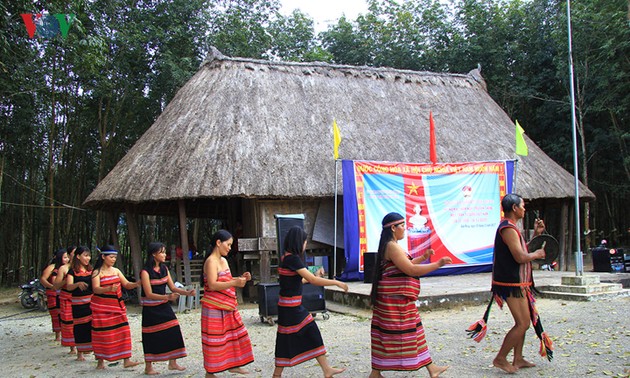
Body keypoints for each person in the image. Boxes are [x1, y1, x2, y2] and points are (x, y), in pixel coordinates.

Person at [466, 193, 553, 373]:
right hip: (511, 283)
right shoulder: (508, 228)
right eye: (522, 206)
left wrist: (537, 235)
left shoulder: (511, 227)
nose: (524, 208)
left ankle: (518, 358)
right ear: (514, 208)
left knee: (523, 321)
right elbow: (520, 257)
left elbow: (520, 251)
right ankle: (500, 358)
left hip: (517, 282)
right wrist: (537, 255)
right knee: (522, 323)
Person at [369, 212, 451, 378]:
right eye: (403, 226)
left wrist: (423, 257)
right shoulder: (391, 246)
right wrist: (437, 264)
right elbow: (410, 270)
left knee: (410, 331)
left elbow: (405, 265)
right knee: (391, 334)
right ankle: (376, 373)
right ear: (393, 227)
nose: (405, 229)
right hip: (394, 301)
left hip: (394, 300)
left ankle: (431, 368)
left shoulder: (391, 245)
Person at [273, 226, 348, 378]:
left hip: (289, 305)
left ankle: (278, 374)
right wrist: (335, 282)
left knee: (286, 338)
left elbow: (299, 280)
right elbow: (312, 280)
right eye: (305, 242)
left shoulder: (286, 257)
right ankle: (326, 369)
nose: (305, 245)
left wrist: (313, 274)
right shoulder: (292, 259)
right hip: (291, 307)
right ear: (298, 242)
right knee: (309, 332)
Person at [201, 230, 254, 378]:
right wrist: (235, 282)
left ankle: (234, 364)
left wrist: (241, 278)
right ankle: (210, 372)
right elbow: (212, 285)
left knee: (233, 335)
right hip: (213, 306)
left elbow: (226, 281)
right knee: (214, 340)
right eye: (228, 244)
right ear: (218, 243)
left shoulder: (224, 261)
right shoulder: (211, 261)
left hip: (228, 305)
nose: (230, 248)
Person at [140, 242, 195, 375]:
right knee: (150, 335)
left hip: (163, 305)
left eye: (164, 252)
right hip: (150, 308)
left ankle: (173, 362)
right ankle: (148, 366)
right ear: (154, 254)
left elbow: (173, 288)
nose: (165, 255)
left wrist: (187, 293)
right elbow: (149, 293)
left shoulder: (164, 269)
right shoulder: (145, 272)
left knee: (173, 328)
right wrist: (168, 297)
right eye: (162, 252)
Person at [91, 245, 141, 370]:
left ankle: (126, 360)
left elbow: (127, 285)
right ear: (103, 257)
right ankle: (100, 362)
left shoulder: (116, 271)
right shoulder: (97, 272)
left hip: (117, 307)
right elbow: (96, 289)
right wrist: (108, 289)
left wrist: (138, 283)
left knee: (123, 332)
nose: (113, 259)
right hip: (101, 308)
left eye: (115, 257)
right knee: (102, 334)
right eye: (111, 257)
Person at [66, 246, 93, 361]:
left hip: (91, 302)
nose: (88, 258)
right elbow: (68, 286)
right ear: (78, 256)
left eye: (89, 256)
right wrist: (77, 284)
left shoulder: (91, 270)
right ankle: (80, 353)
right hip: (78, 304)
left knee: (91, 325)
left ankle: (91, 349)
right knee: (79, 326)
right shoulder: (73, 271)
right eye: (85, 255)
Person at [40, 248, 67, 342]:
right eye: (65, 257)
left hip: (63, 293)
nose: (67, 259)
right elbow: (43, 279)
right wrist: (52, 286)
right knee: (55, 314)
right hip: (53, 294)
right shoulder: (52, 267)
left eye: (67, 257)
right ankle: (57, 334)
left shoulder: (68, 268)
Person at [53, 245, 76, 354]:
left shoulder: (86, 268)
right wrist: (66, 281)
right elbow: (56, 286)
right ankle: (72, 347)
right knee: (69, 323)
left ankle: (82, 347)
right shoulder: (63, 268)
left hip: (81, 299)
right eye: (74, 253)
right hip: (67, 297)